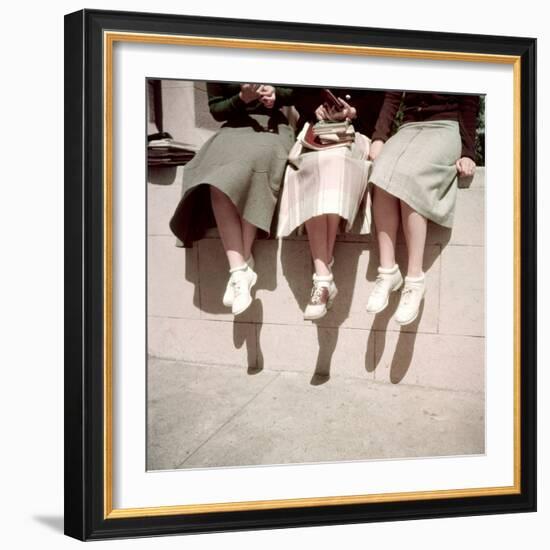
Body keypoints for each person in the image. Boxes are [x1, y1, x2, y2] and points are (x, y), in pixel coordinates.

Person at [169, 82, 295, 316]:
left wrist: (275, 94)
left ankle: (240, 270)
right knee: (216, 179)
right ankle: (240, 270)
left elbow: (296, 91)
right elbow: (217, 110)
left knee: (253, 168)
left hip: (272, 129)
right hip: (232, 130)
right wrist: (241, 97)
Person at [366, 91, 479, 325]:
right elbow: (393, 96)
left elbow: (470, 100)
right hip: (409, 127)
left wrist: (469, 152)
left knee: (411, 174)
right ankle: (388, 272)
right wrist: (379, 137)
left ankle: (415, 279)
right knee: (380, 172)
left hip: (446, 127)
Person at [277, 87, 385, 320]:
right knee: (314, 165)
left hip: (355, 133)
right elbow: (299, 91)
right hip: (318, 133)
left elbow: (386, 100)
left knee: (334, 162)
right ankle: (323, 277)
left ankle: (322, 281)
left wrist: (354, 112)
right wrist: (314, 108)